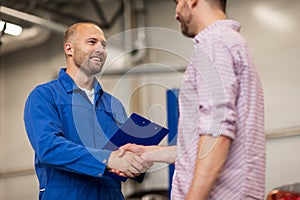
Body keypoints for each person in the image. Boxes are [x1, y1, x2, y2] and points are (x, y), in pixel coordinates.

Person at [118, 0, 266, 199]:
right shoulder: (230, 42)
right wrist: (149, 153)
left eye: (178, 2)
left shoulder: (214, 43)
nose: (176, 13)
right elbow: (206, 144)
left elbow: (217, 132)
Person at [23, 22, 151, 200]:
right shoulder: (45, 96)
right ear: (69, 48)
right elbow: (49, 147)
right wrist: (107, 159)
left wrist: (138, 163)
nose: (100, 49)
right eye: (92, 42)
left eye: (103, 45)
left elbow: (123, 153)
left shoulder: (113, 104)